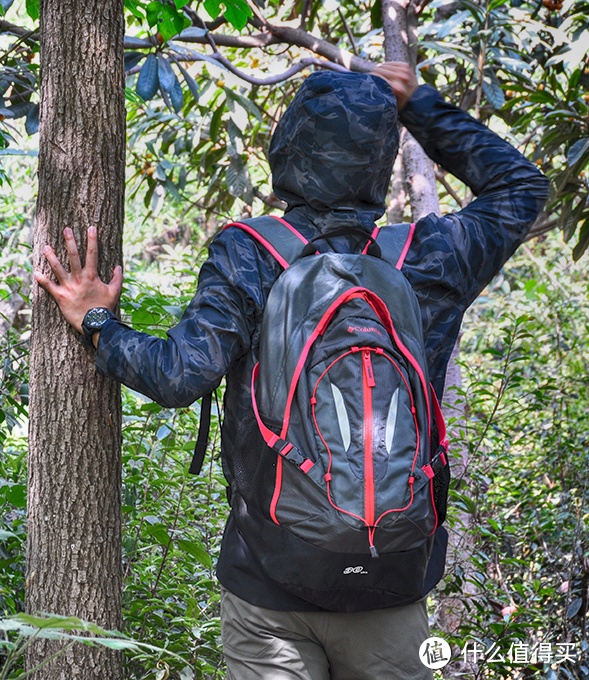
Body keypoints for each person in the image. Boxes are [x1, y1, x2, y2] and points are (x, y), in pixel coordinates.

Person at [33, 62, 549, 679]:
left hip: (270, 583)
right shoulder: (431, 258)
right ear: (382, 160)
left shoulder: (251, 251)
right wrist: (417, 105)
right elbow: (523, 189)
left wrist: (99, 323)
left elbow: (178, 375)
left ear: (288, 147)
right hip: (392, 578)